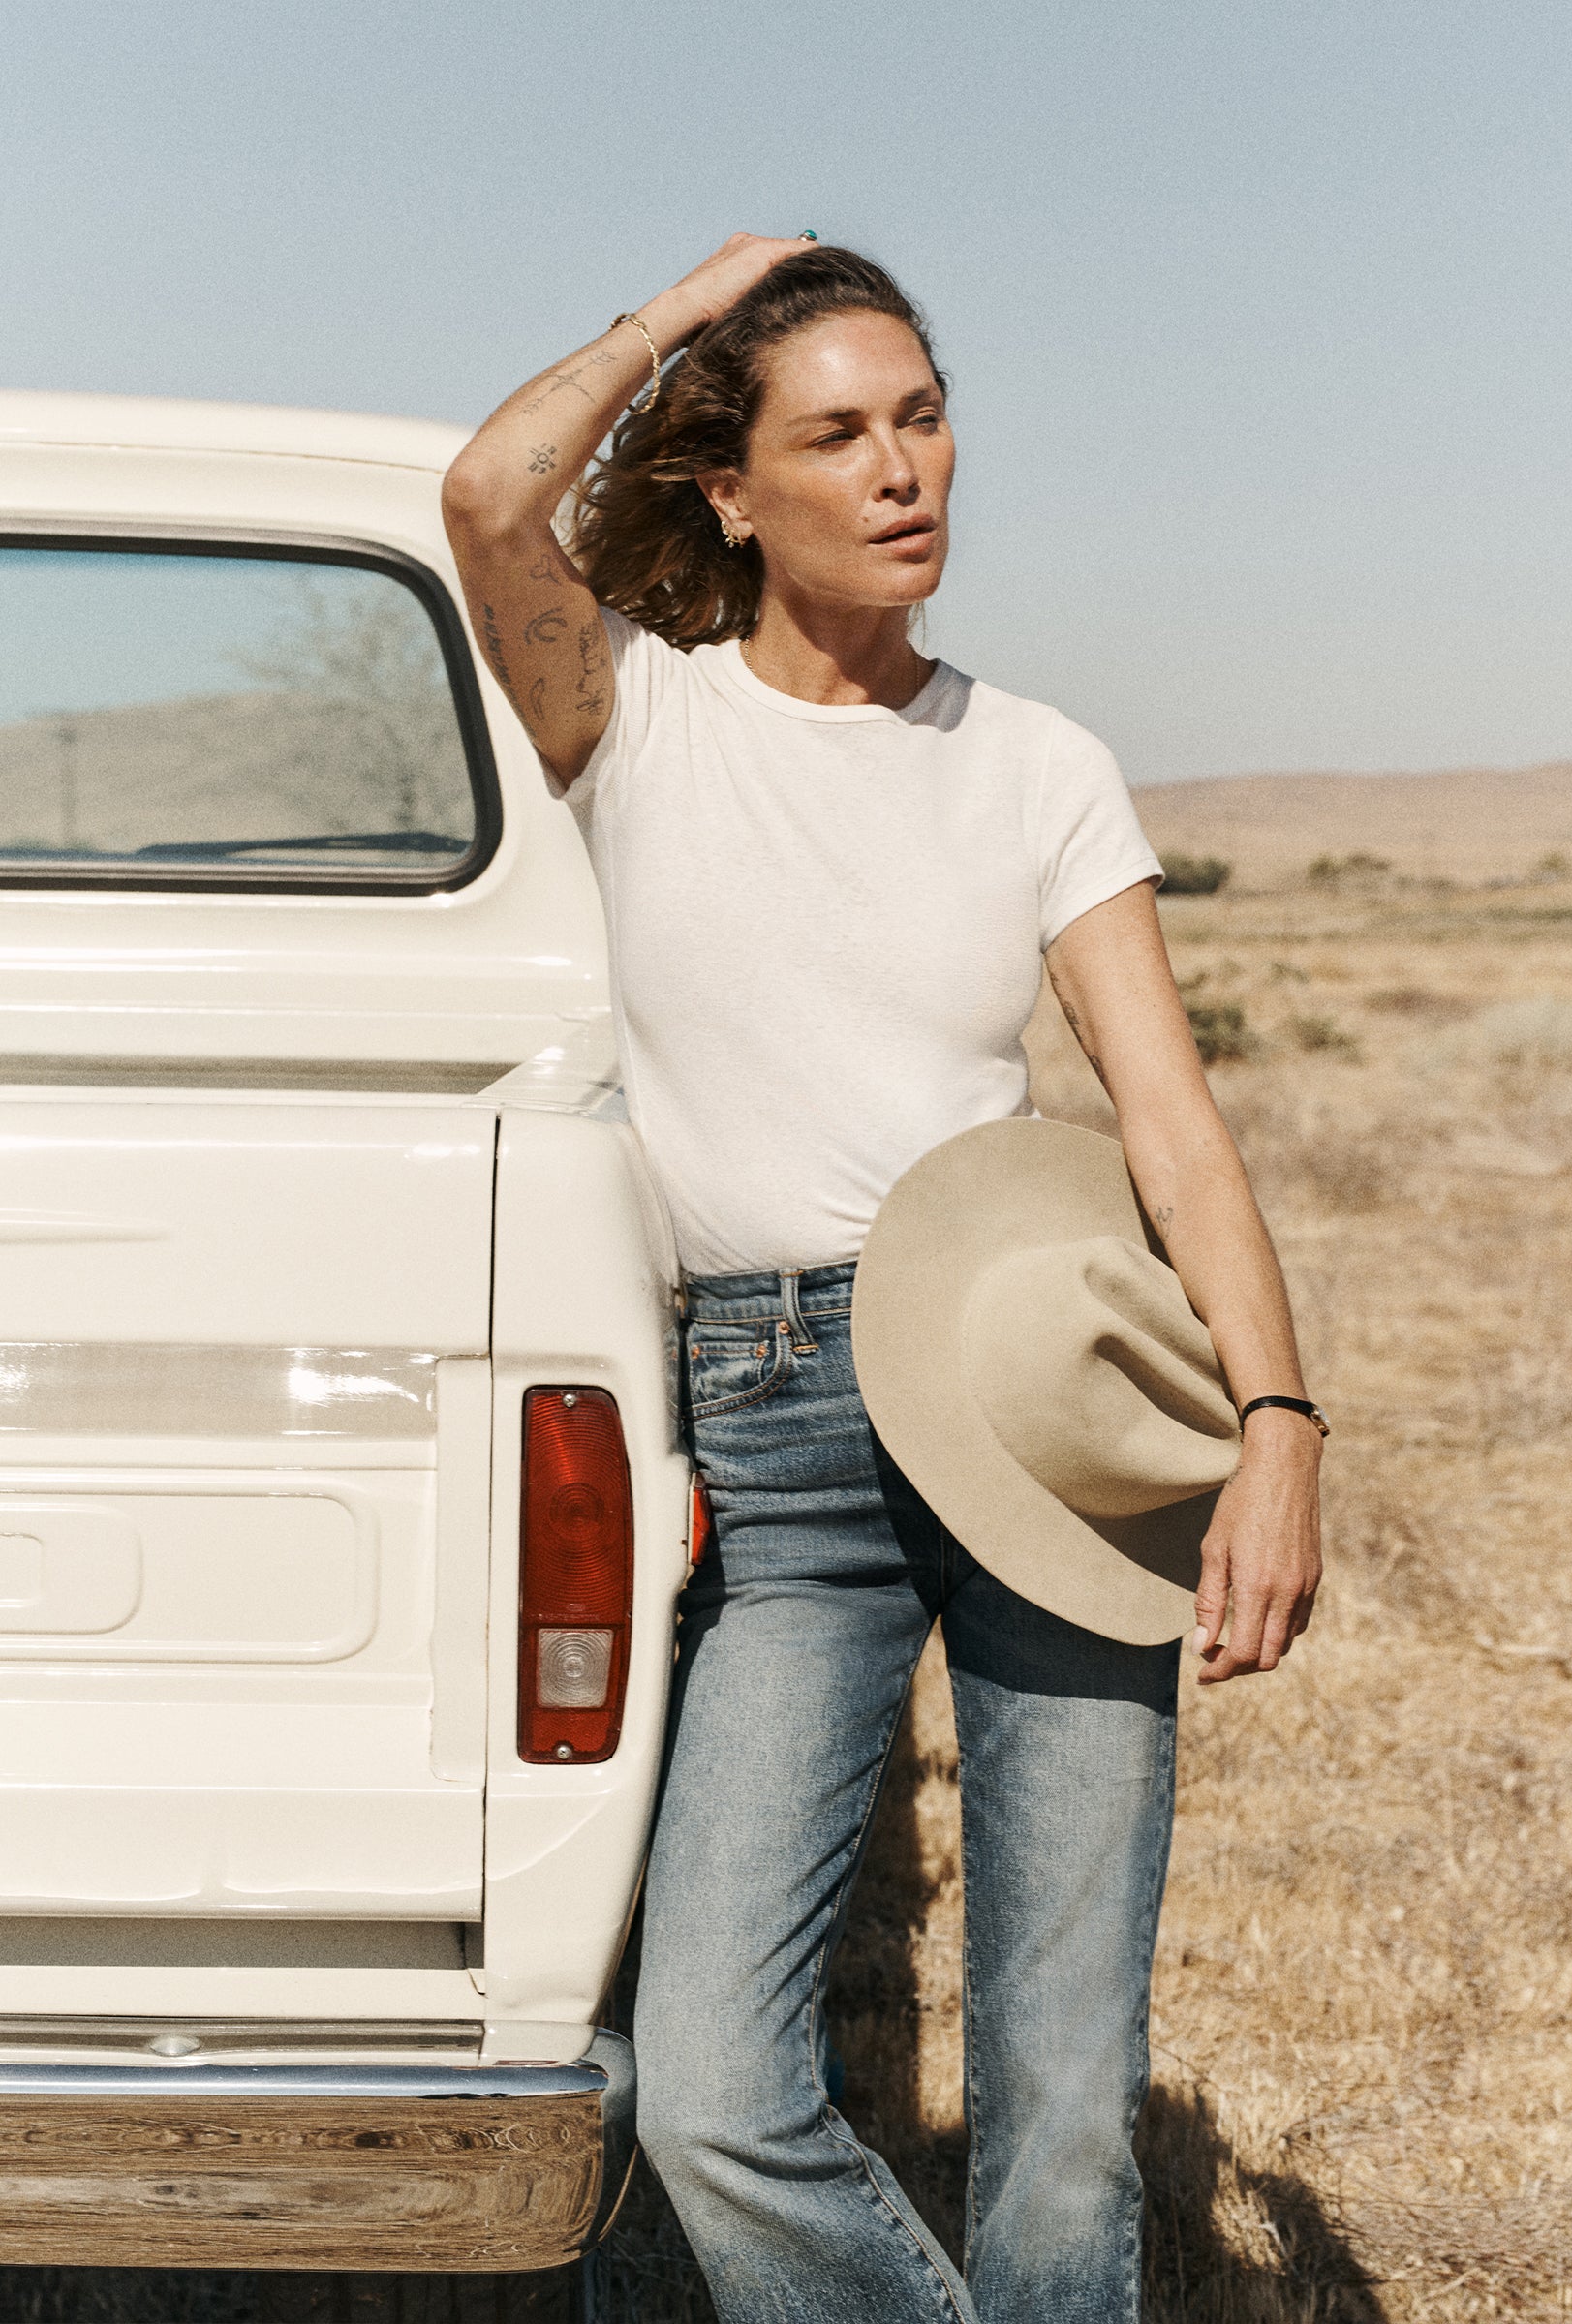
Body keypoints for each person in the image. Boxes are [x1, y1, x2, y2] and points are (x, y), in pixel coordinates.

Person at [443, 234, 1323, 2324]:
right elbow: (487, 498)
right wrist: (682, 309)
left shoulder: (1036, 762)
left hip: (1036, 1397)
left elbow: (1174, 1126)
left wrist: (1281, 1423)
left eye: (921, 416)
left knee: (1067, 2106)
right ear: (732, 491)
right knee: (710, 2096)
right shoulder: (634, 719)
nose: (903, 468)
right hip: (779, 1439)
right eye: (835, 433)